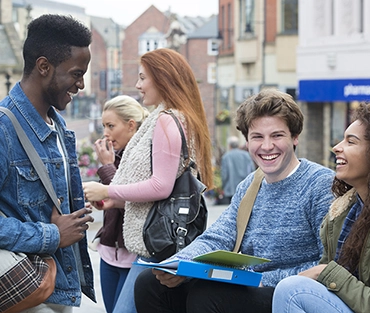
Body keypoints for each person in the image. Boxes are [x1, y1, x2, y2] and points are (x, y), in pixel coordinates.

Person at [133, 89, 335, 313]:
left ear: (295, 137)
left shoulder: (320, 184)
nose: (267, 146)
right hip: (249, 285)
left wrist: (263, 280)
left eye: (277, 136)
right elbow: (218, 237)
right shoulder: (250, 185)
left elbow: (329, 264)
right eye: (257, 137)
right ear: (247, 141)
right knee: (149, 284)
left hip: (291, 291)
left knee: (209, 296)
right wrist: (179, 265)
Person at [82, 48, 213, 313]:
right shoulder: (176, 117)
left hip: (154, 243)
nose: (137, 85)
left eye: (143, 78)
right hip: (159, 240)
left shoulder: (167, 120)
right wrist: (115, 201)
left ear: (162, 78)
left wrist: (106, 188)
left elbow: (161, 186)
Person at [0, 14, 95, 312]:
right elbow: (56, 230)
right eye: (77, 73)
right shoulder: (4, 128)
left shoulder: (59, 127)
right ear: (44, 67)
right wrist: (52, 235)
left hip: (54, 287)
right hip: (20, 287)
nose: (81, 85)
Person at [272, 101, 370, 313]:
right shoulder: (342, 212)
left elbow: (325, 273)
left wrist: (326, 273)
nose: (337, 147)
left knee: (293, 291)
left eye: (351, 142)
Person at [92, 95, 149, 313]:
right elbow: (115, 198)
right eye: (104, 126)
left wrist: (106, 166)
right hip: (109, 251)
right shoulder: (114, 155)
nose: (105, 132)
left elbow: (133, 198)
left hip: (131, 253)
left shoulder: (143, 157)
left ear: (131, 125)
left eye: (111, 126)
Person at [221, 136, 255, 203]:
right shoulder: (246, 155)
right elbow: (252, 170)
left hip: (231, 189)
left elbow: (224, 174)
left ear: (229, 145)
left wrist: (223, 186)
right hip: (246, 188)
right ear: (238, 145)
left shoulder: (226, 157)